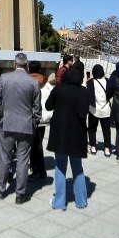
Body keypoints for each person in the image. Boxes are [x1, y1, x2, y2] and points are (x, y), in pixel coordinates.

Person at [0, 53, 41, 204]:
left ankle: (0, 189)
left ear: (14, 64)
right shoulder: (33, 82)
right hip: (26, 125)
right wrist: (34, 122)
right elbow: (37, 107)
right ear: (26, 65)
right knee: (22, 160)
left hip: (6, 124)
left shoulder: (4, 78)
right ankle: (20, 194)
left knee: (4, 158)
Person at [46, 65, 89, 211]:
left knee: (60, 166)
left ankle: (59, 202)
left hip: (60, 134)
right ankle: (81, 201)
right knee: (77, 167)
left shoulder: (59, 89)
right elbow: (84, 112)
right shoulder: (83, 91)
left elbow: (48, 106)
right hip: (78, 134)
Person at [29, 70, 54, 180]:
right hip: (44, 119)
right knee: (38, 144)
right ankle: (36, 168)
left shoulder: (33, 86)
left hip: (35, 120)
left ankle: (39, 171)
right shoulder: (48, 87)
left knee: (35, 146)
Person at [86, 64, 112, 157]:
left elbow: (89, 96)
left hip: (94, 110)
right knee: (106, 130)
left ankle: (93, 147)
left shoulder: (90, 82)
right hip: (106, 109)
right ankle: (107, 149)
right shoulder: (108, 81)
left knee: (92, 129)